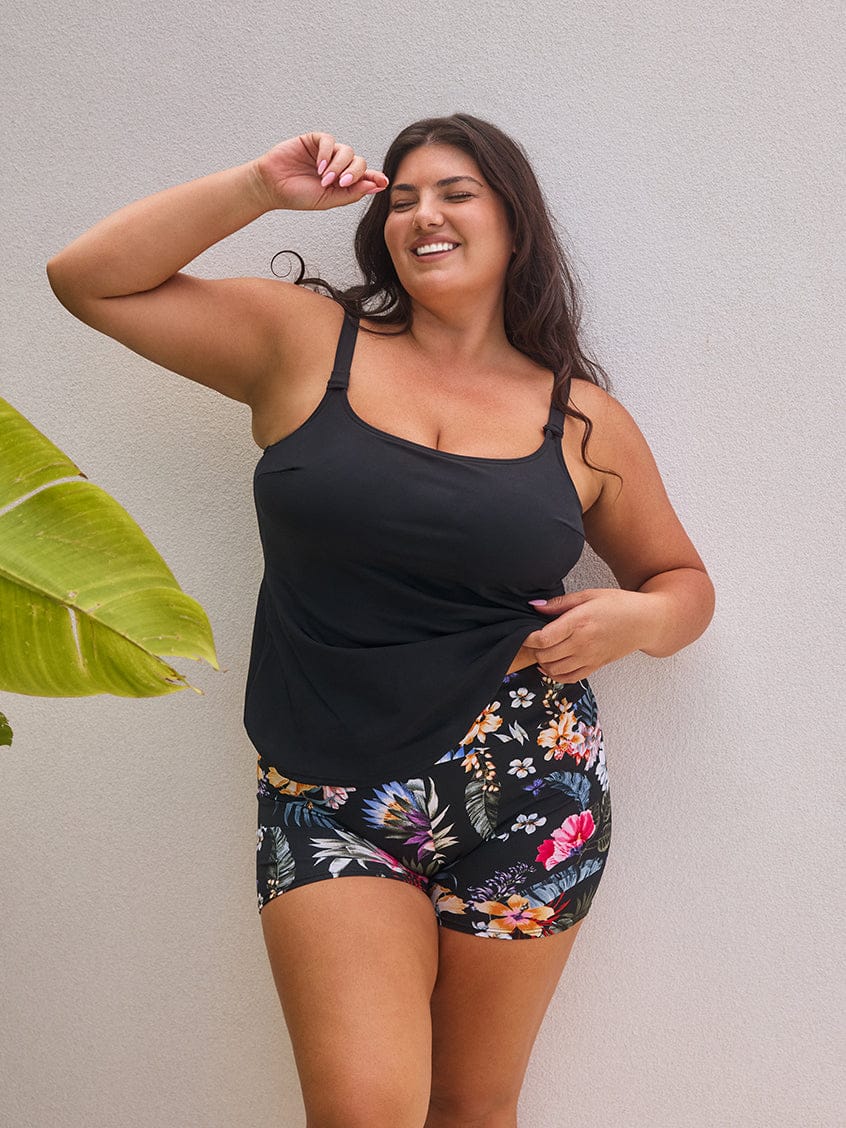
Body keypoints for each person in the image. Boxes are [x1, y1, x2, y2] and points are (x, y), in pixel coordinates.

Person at [46, 115, 715, 1128]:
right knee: (363, 1110)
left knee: (473, 1109)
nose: (422, 214)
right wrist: (258, 188)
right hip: (327, 783)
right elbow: (87, 278)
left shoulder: (580, 419)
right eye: (400, 198)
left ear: (514, 224)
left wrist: (641, 617)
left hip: (532, 792)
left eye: (454, 192)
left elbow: (682, 582)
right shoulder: (304, 342)